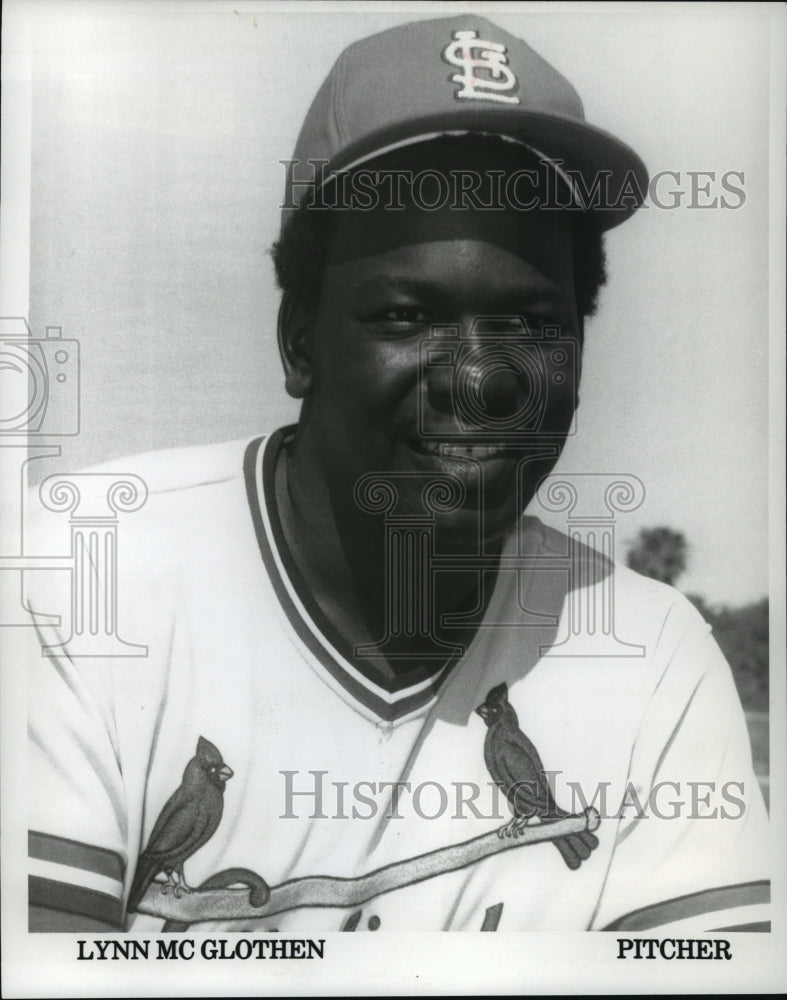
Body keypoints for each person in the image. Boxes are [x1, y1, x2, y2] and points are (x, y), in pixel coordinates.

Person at [27, 15, 769, 933]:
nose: (481, 378)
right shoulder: (83, 573)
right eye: (407, 315)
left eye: (533, 325)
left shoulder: (649, 654)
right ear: (300, 342)